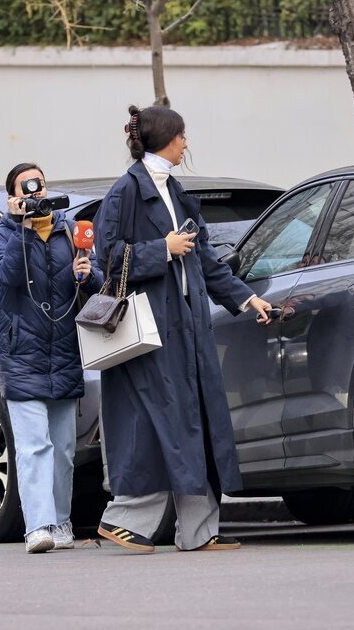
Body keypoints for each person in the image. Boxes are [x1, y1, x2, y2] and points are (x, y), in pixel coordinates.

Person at [93, 106, 273, 553]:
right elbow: (108, 259)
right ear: (166, 139)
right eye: (182, 136)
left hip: (188, 327)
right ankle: (121, 520)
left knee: (197, 421)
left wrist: (247, 298)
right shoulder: (125, 192)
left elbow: (206, 258)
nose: (186, 143)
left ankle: (199, 531)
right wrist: (162, 249)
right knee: (160, 422)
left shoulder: (174, 189)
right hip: (150, 330)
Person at [0, 162, 103, 554]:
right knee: (34, 444)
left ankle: (60, 521)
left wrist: (85, 274)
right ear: (13, 198)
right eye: (27, 188)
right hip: (21, 354)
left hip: (65, 351)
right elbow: (8, 275)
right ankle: (37, 527)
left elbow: (100, 282)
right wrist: (22, 226)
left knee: (64, 448)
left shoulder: (69, 231)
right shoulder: (3, 235)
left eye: (39, 186)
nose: (36, 193)